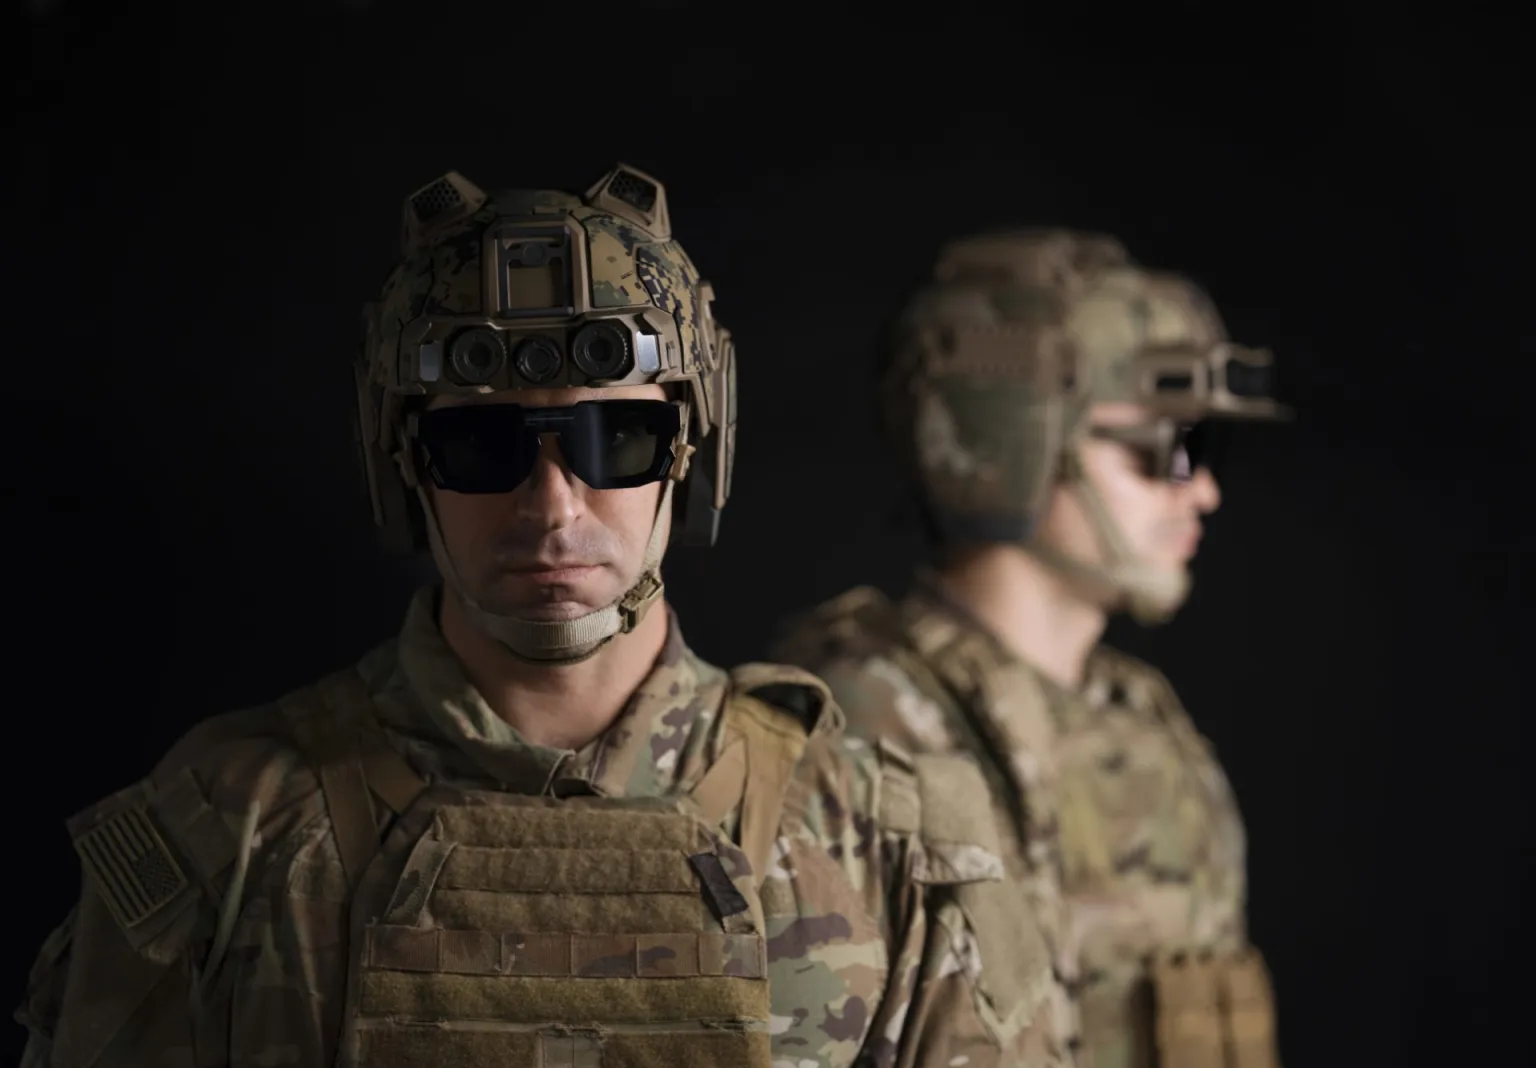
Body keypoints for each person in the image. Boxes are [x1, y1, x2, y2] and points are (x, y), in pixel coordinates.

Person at [15, 169, 1070, 1067]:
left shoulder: (883, 839)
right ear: (407, 466)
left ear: (692, 454)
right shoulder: (233, 826)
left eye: (618, 442)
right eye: (482, 447)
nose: (553, 507)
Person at [770, 228, 1290, 1068]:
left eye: (1209, 448)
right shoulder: (861, 727)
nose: (1203, 489)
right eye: (1169, 449)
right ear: (1011, 444)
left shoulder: (1147, 723)